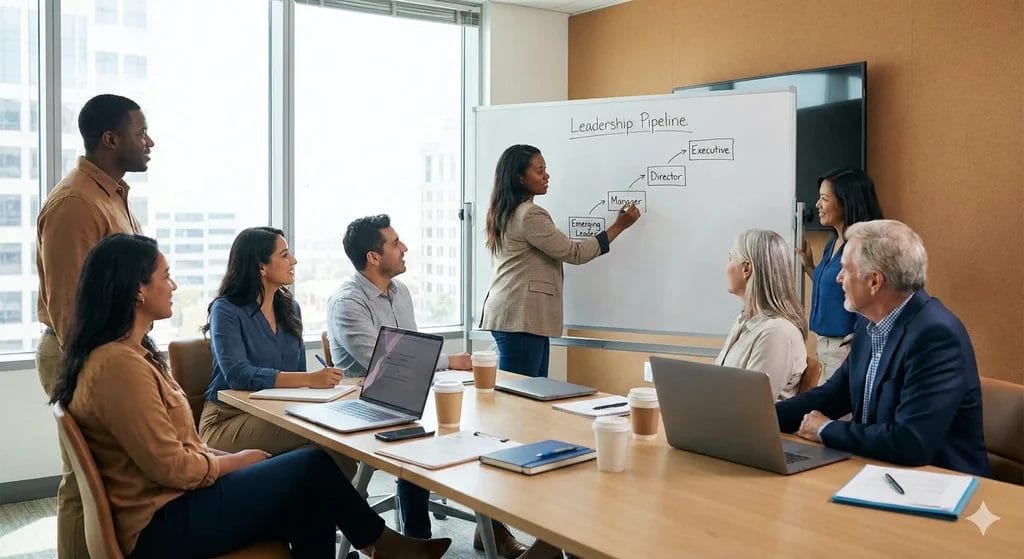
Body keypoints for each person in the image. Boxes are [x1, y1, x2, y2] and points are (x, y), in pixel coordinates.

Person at [49, 234, 450, 559]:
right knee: (310, 467)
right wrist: (236, 461)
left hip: (174, 506)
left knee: (309, 492)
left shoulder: (129, 355)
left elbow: (179, 451)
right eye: (165, 276)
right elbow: (174, 468)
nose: (173, 286)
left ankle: (382, 545)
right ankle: (382, 544)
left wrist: (231, 462)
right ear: (136, 290)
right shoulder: (119, 367)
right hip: (162, 525)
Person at [327, 215, 527, 558]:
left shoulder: (399, 292)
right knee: (423, 437)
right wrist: (451, 361)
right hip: (368, 405)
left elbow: (413, 350)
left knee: (483, 429)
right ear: (374, 257)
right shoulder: (347, 302)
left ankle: (490, 527)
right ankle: (418, 539)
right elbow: (388, 358)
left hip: (414, 393)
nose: (404, 248)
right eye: (395, 243)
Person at [776, 220, 990, 476]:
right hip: (878, 472)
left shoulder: (936, 336)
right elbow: (834, 394)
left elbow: (911, 442)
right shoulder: (870, 327)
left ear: (874, 281)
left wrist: (825, 429)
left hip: (938, 486)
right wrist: (761, 418)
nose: (838, 278)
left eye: (846, 269)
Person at [35, 93, 150, 558]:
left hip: (110, 353)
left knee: (105, 481)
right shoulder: (75, 205)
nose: (149, 142)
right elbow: (68, 307)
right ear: (110, 138)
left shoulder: (111, 196)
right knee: (84, 483)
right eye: (140, 133)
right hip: (80, 354)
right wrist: (97, 371)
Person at [199, 227, 355, 478]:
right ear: (261, 267)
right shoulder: (226, 310)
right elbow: (238, 375)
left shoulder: (290, 308)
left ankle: (320, 517)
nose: (293, 260)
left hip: (279, 413)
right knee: (330, 440)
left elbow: (297, 376)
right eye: (284, 255)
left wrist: (318, 386)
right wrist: (309, 380)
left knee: (329, 454)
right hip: (228, 420)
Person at [478, 144, 640, 377]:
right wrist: (619, 226)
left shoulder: (507, 210)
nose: (547, 175)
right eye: (539, 170)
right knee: (521, 398)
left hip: (519, 317)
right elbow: (574, 253)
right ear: (520, 177)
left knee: (530, 394)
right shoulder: (530, 214)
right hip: (521, 317)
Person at [796, 168, 883, 384]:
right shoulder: (832, 244)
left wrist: (857, 345)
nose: (817, 205)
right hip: (823, 347)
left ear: (846, 203)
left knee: (836, 415)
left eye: (824, 199)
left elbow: (869, 299)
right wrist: (809, 267)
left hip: (844, 351)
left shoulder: (863, 247)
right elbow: (838, 289)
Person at [715, 229, 807, 401]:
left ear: (746, 269)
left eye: (730, 259)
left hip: (741, 426)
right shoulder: (745, 321)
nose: (726, 267)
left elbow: (750, 406)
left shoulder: (776, 333)